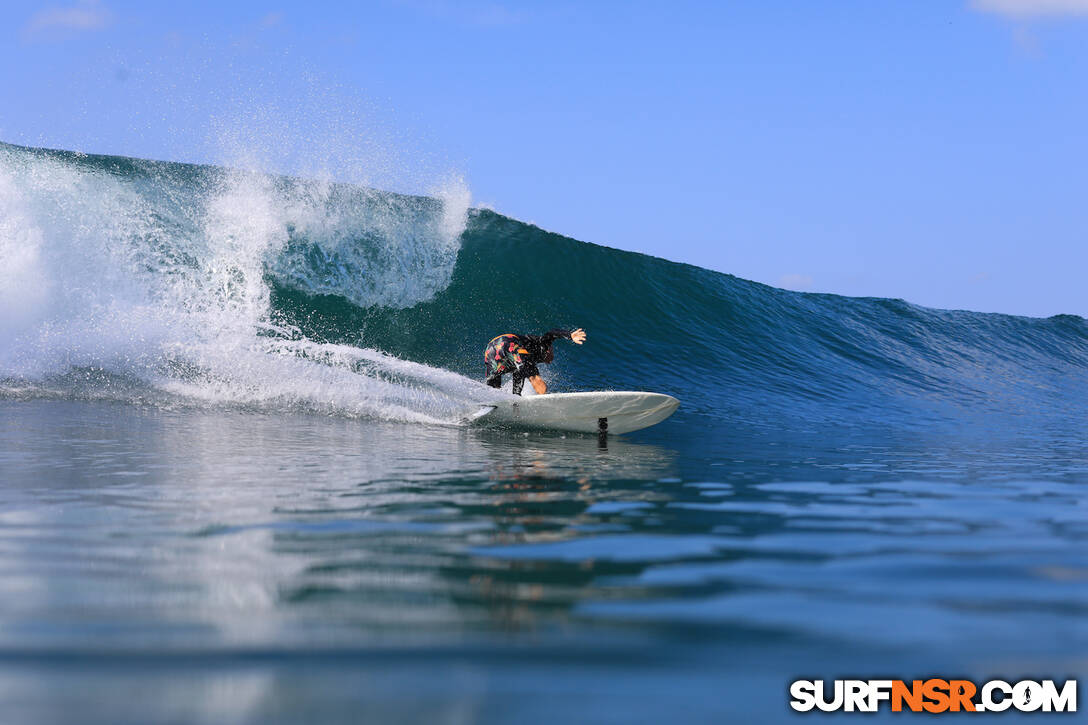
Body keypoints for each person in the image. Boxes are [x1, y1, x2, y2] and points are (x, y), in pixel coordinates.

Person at [484, 328, 587, 395]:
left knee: (493, 392)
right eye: (552, 352)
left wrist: (516, 403)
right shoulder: (542, 345)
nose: (552, 357)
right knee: (535, 379)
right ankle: (547, 406)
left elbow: (518, 381)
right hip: (510, 344)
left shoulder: (521, 362)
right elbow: (551, 333)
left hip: (490, 350)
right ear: (548, 349)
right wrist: (570, 335)